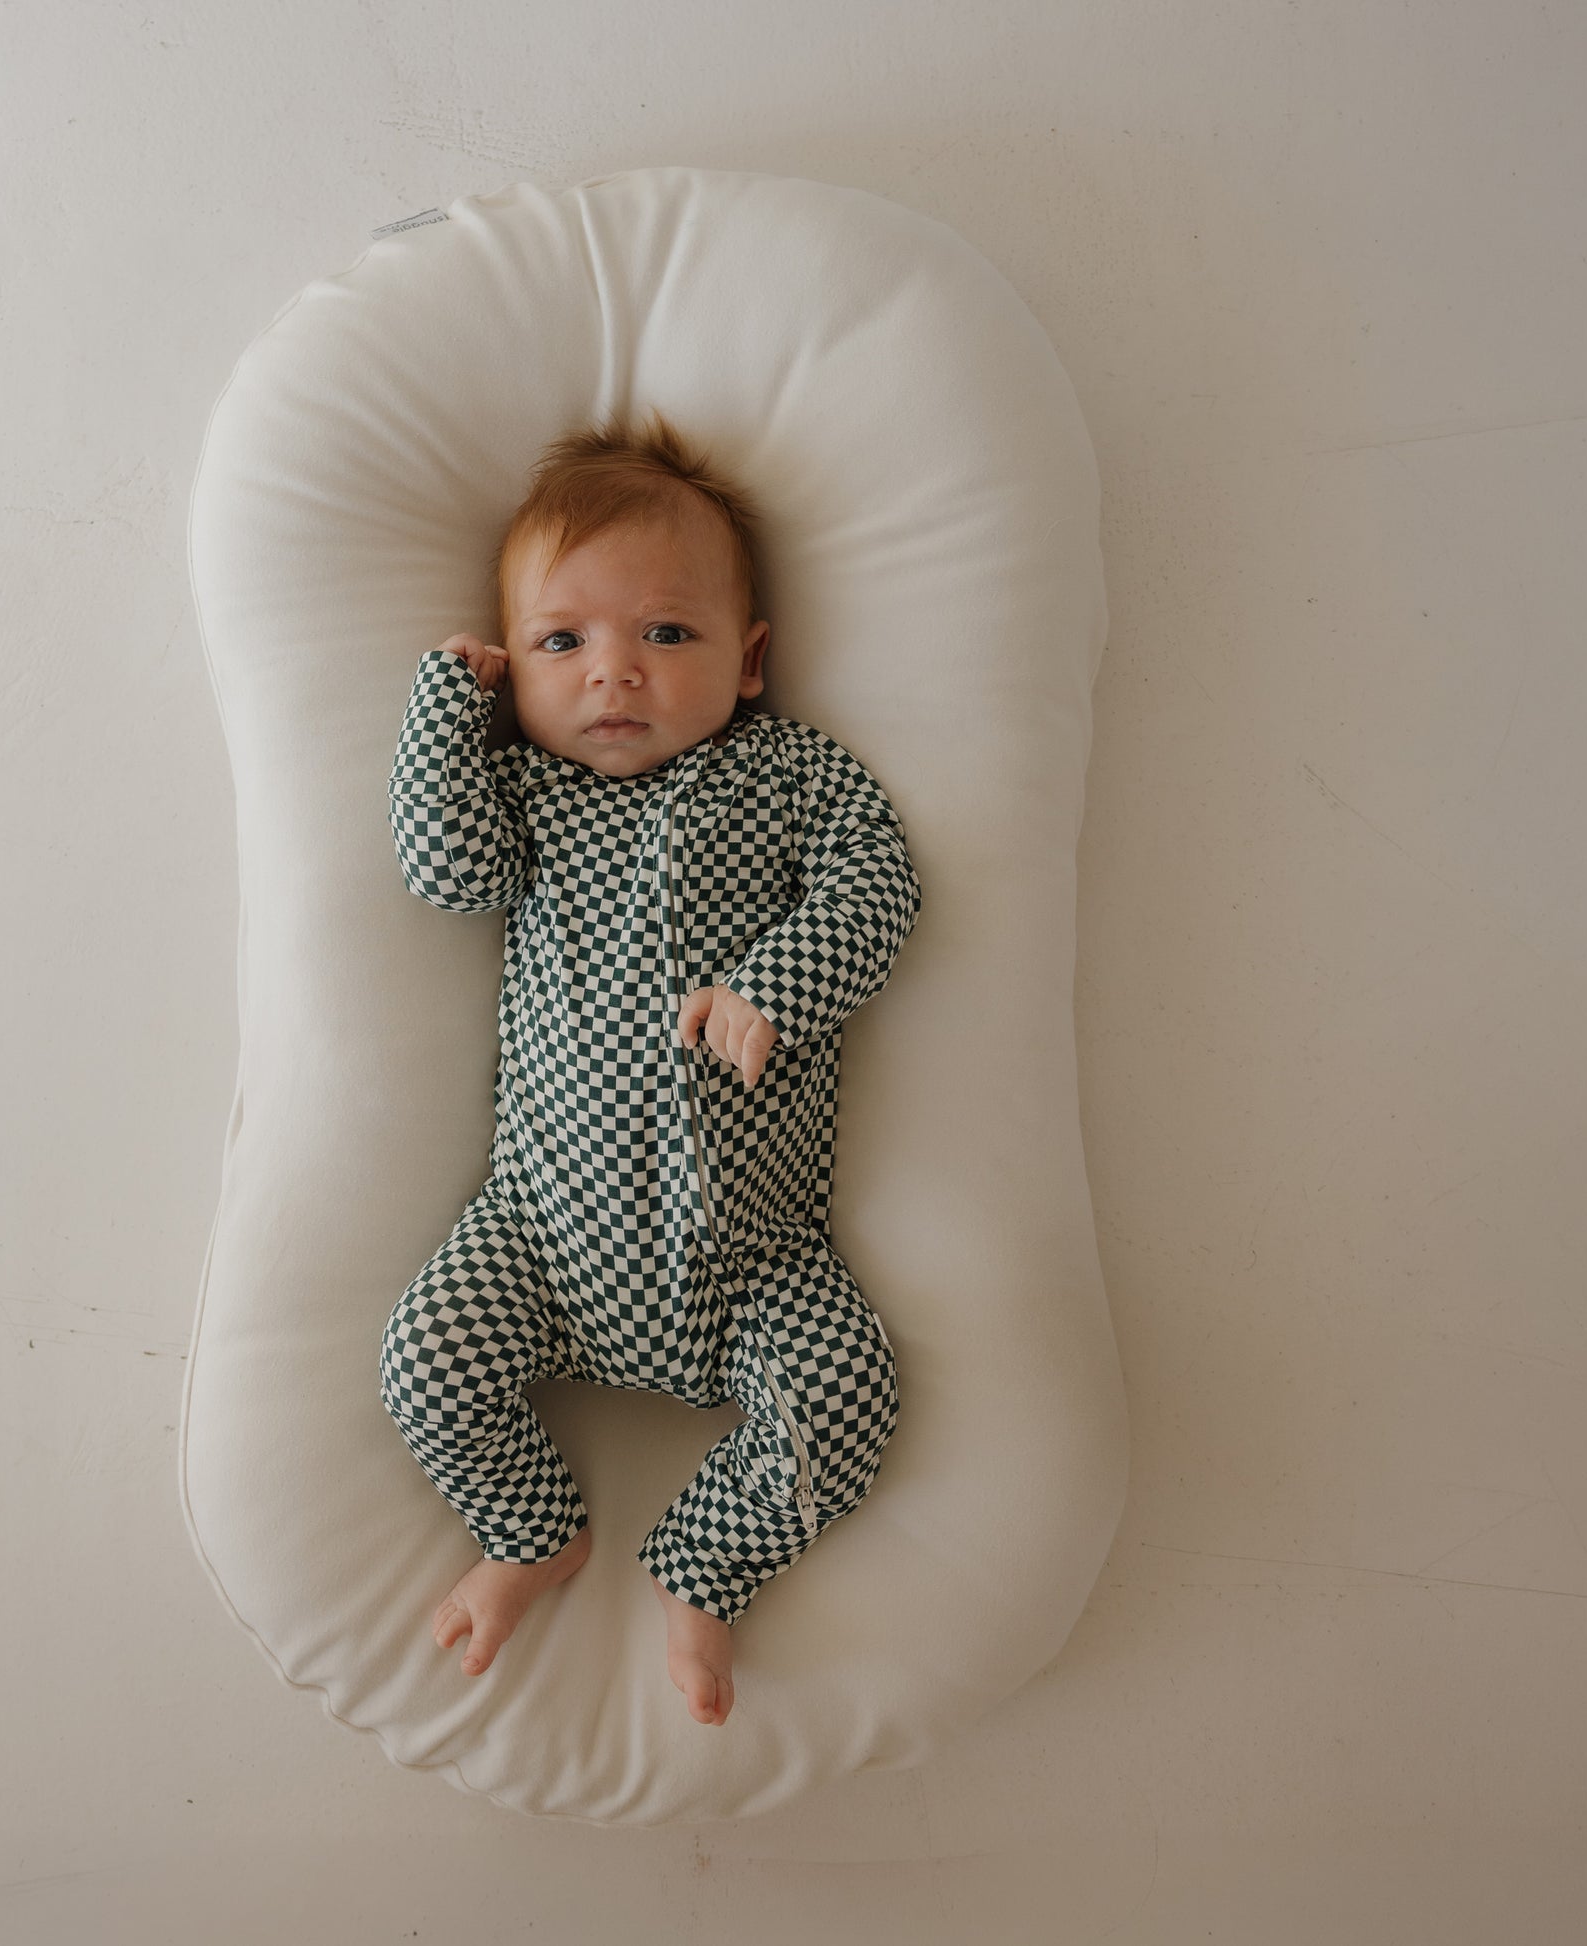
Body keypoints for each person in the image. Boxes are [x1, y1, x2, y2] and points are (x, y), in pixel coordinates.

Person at [380, 407, 922, 1728]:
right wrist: (443, 714)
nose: (612, 673)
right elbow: (441, 871)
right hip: (543, 1237)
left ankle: (706, 1567)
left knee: (850, 1390)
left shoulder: (786, 773)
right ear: (518, 670)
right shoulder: (525, 793)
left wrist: (773, 986)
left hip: (757, 1256)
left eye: (662, 634)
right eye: (563, 642)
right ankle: (531, 1527)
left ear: (747, 662)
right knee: (423, 1366)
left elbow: (878, 882)